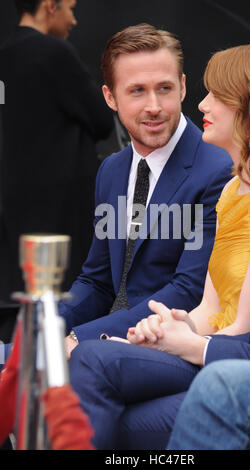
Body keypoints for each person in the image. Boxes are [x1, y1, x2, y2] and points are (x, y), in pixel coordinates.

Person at [68, 43, 250, 450]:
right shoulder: (229, 187)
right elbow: (204, 305)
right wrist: (170, 328)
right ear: (109, 97)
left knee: (88, 360)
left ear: (249, 105)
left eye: (218, 95)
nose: (203, 103)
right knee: (74, 366)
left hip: (230, 355)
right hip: (202, 341)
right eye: (136, 90)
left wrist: (185, 341)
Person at [59, 24, 232, 354]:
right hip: (102, 337)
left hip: (161, 343)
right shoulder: (111, 170)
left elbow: (187, 289)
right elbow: (97, 280)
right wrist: (45, 327)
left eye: (164, 88)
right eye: (137, 91)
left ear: (182, 88)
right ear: (110, 97)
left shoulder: (217, 169)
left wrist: (77, 340)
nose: (154, 106)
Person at [167, 43, 250, 450]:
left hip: (247, 363)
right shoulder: (239, 193)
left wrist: (198, 346)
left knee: (221, 385)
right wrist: (174, 328)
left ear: (247, 105)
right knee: (90, 363)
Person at [0, 0, 113, 303]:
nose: (74, 20)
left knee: (18, 303)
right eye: (70, 8)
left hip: (12, 207)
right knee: (64, 304)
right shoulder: (54, 52)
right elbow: (101, 120)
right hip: (60, 209)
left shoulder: (4, 56)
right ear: (50, 6)